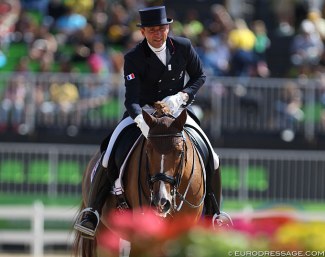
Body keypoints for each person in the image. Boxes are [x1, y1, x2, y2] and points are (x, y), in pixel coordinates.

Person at [74, 5, 221, 238]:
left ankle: (214, 213)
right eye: (152, 30)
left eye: (161, 28)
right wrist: (143, 122)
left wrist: (182, 96)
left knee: (211, 156)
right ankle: (92, 210)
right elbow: (131, 100)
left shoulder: (183, 46)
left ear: (167, 28)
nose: (157, 33)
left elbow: (199, 76)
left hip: (176, 112)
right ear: (143, 32)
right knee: (110, 150)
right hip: (143, 113)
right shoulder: (133, 57)